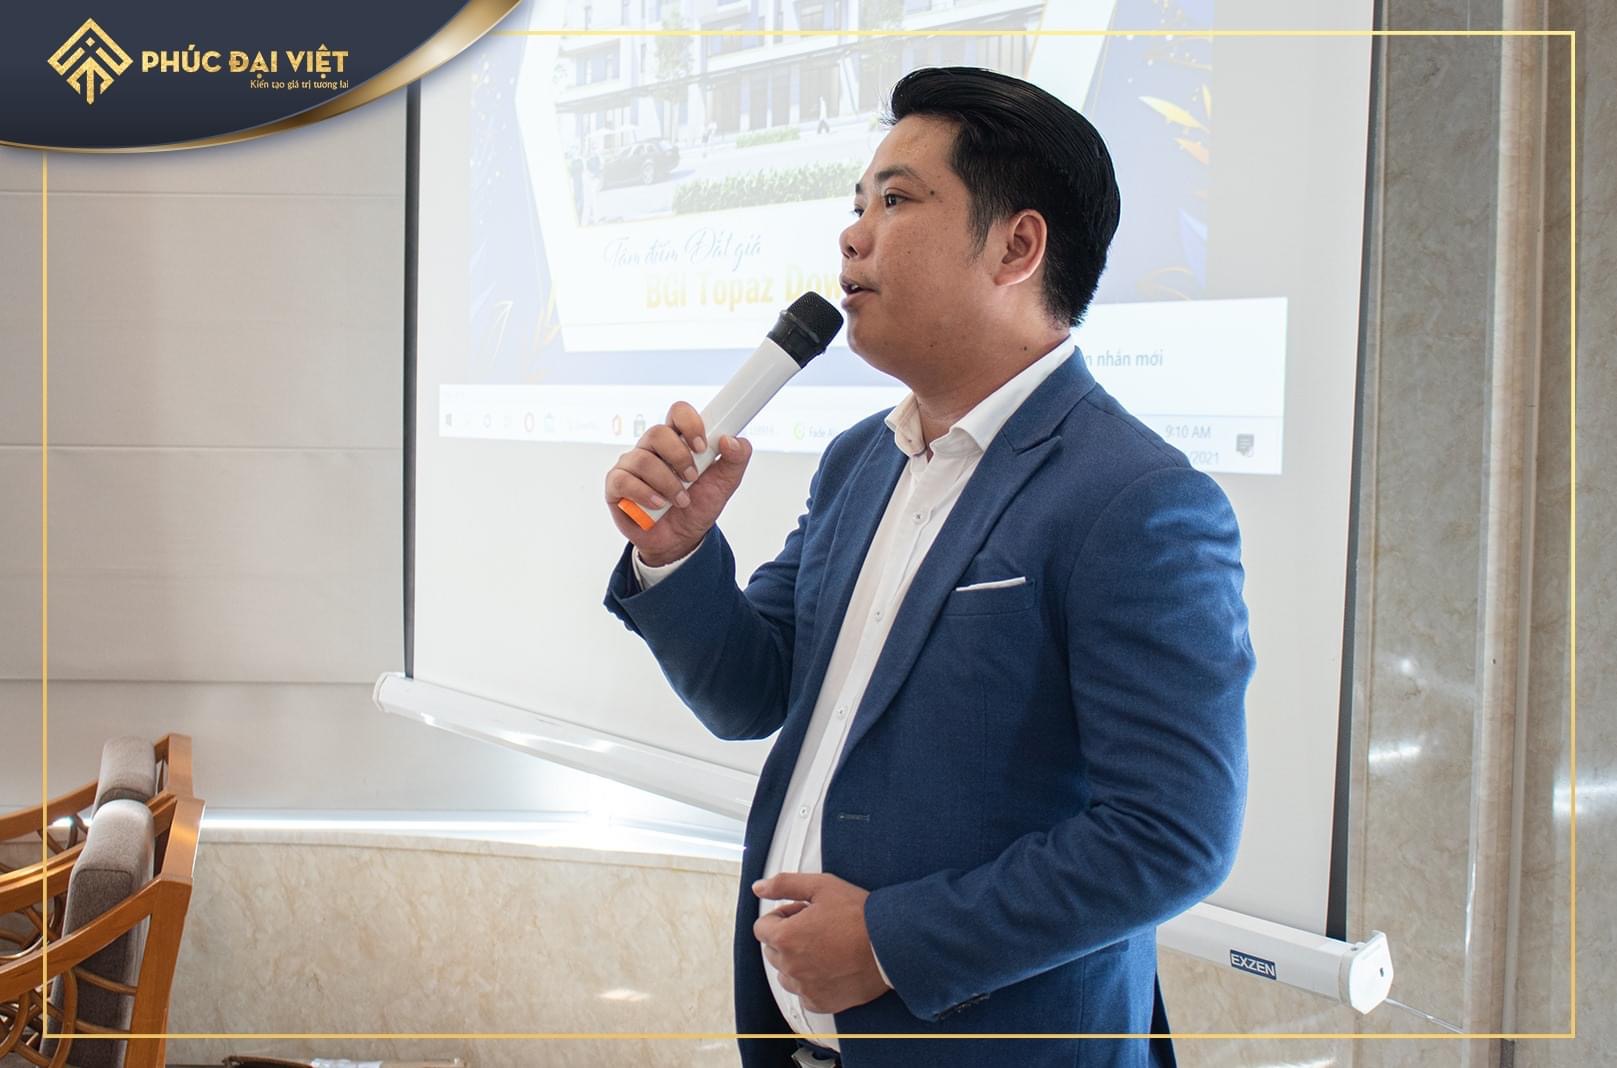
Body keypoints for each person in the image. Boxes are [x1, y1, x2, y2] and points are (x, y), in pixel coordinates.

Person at [603, 66, 1252, 1068]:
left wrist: (888, 944)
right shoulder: (859, 460)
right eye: (856, 205)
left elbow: (1170, 835)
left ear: (1016, 247)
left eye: (896, 201)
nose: (852, 236)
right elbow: (750, 692)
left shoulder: (1136, 499)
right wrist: (675, 549)